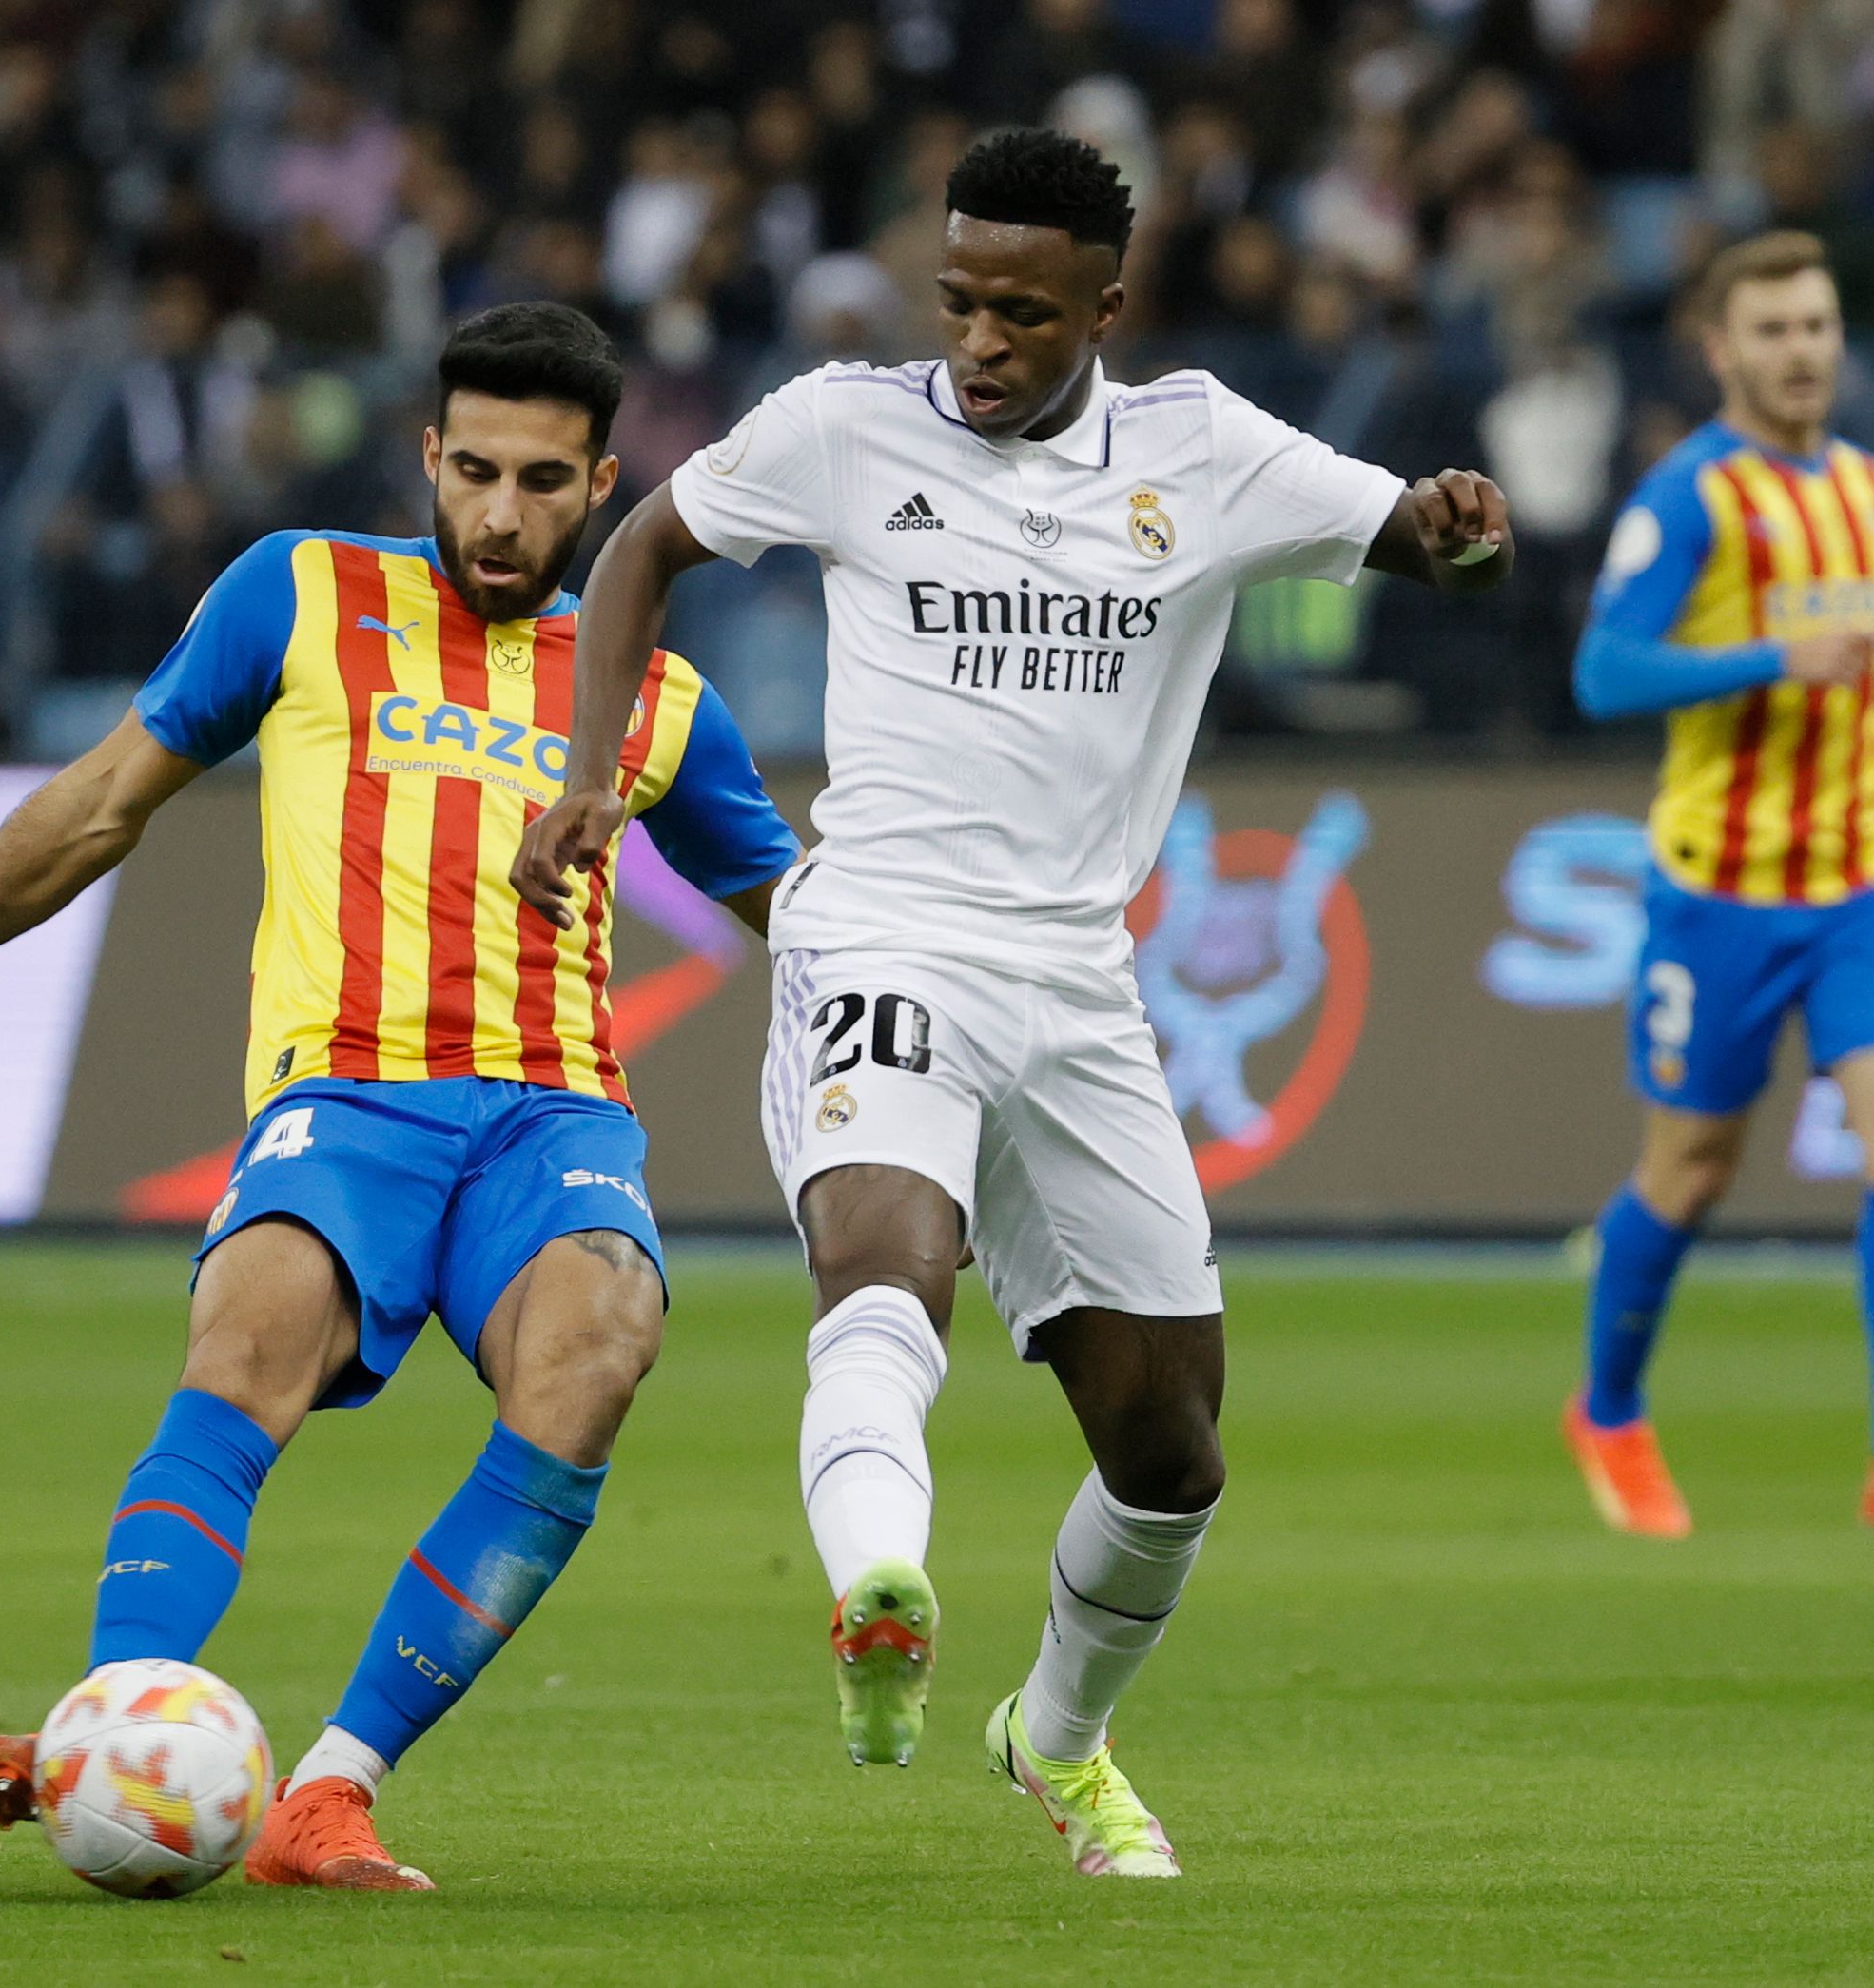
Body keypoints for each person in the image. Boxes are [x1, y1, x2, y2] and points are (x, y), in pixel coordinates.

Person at [512, 128, 1512, 1879]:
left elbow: (1411, 541)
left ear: (1103, 310)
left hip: (1078, 979)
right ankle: (879, 1589)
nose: (979, 339)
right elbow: (638, 554)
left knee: (1170, 1450)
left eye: (1024, 314)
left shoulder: (1199, 452)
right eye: (960, 299)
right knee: (889, 1265)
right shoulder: (841, 428)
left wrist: (1457, 528)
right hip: (882, 935)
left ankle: (1055, 1734)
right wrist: (594, 773)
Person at [0, 302, 796, 1893]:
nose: (501, 515)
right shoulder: (302, 593)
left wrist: (942, 1083)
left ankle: (329, 1792)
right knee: (248, 1340)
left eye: (544, 482)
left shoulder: (652, 695)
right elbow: (105, 800)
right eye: (476, 472)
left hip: (555, 1109)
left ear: (599, 491)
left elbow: (802, 913)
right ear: (428, 457)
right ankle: (114, 1720)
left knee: (595, 1358)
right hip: (350, 1091)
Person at [1564, 230, 1874, 1541]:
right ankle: (1611, 1408)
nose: (1801, 350)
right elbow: (1605, 672)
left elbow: (1853, 647)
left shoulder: (1868, 482)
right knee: (1691, 1174)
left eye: (1816, 325)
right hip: (1721, 888)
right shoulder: (1688, 497)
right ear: (1721, 350)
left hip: (1866, 873)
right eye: (1772, 330)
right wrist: (1768, 657)